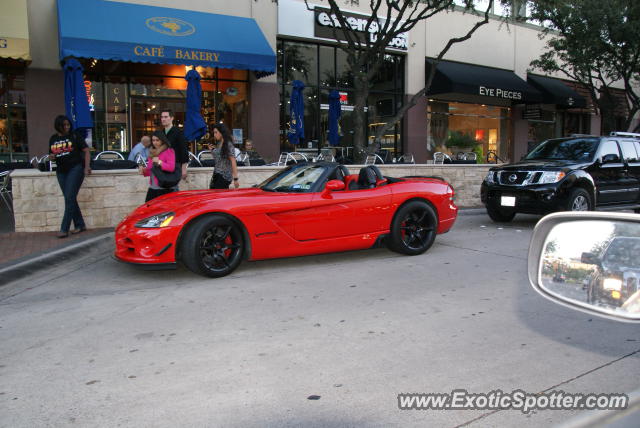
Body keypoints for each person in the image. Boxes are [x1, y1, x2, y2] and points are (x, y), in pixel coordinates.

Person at [48, 115, 90, 238]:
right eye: (64, 125)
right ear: (58, 126)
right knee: (69, 198)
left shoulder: (74, 136)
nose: (67, 127)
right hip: (61, 171)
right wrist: (51, 156)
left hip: (75, 168)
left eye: (68, 124)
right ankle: (80, 224)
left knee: (69, 197)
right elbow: (51, 154)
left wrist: (86, 167)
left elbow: (86, 151)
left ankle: (64, 228)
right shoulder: (53, 138)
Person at [140, 130, 176, 202]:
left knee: (162, 211)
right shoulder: (152, 152)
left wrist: (159, 162)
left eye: (157, 140)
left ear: (162, 140)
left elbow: (171, 168)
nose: (155, 142)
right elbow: (150, 171)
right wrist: (144, 171)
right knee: (148, 209)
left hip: (164, 188)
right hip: (153, 187)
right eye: (153, 140)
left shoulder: (169, 151)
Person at [159, 109, 189, 182]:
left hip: (175, 165)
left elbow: (184, 150)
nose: (163, 119)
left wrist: (184, 168)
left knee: (173, 188)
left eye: (166, 117)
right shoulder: (161, 133)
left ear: (172, 118)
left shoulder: (178, 132)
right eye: (162, 117)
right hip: (163, 165)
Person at [208, 123, 239, 189]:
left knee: (219, 196)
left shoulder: (228, 144)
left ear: (221, 132)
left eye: (216, 132)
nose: (214, 135)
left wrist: (235, 179)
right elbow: (218, 159)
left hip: (224, 176)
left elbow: (233, 161)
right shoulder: (219, 143)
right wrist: (212, 150)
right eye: (214, 133)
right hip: (216, 174)